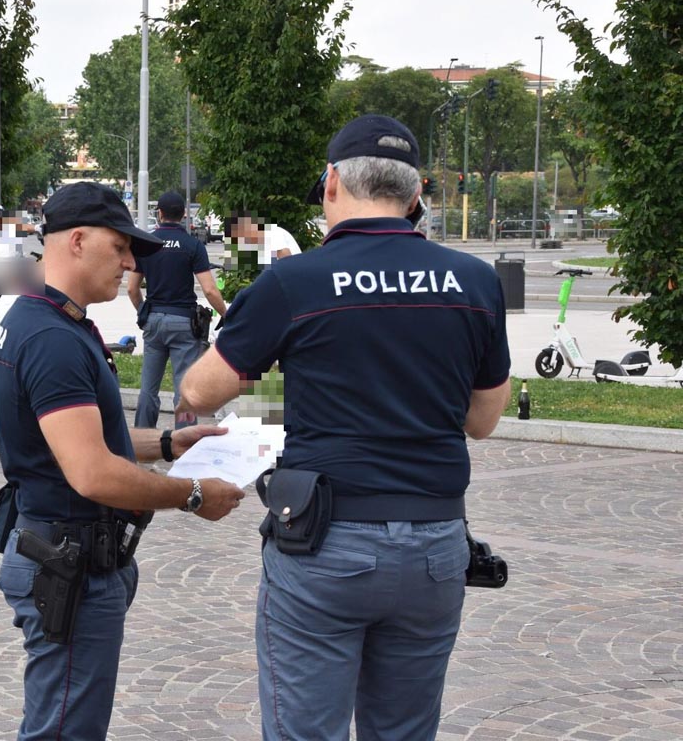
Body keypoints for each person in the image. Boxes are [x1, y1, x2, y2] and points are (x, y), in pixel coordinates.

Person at [178, 114, 511, 741]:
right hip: (435, 543)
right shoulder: (474, 282)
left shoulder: (293, 282)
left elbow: (201, 389)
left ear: (332, 184)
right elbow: (484, 419)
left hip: (326, 543)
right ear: (416, 196)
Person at [0, 181, 245, 740]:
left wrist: (172, 445)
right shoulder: (53, 337)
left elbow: (88, 438)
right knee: (64, 730)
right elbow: (92, 472)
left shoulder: (47, 318)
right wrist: (193, 494)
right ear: (77, 240)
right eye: (122, 248)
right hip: (68, 562)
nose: (133, 262)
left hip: (64, 551)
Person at [127, 191, 226, 430]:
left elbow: (131, 288)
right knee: (184, 388)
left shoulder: (147, 243)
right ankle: (184, 441)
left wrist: (144, 312)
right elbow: (210, 290)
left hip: (154, 320)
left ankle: (142, 438)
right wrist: (226, 314)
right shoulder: (193, 245)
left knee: (148, 388)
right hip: (184, 323)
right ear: (183, 215)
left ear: (159, 214)